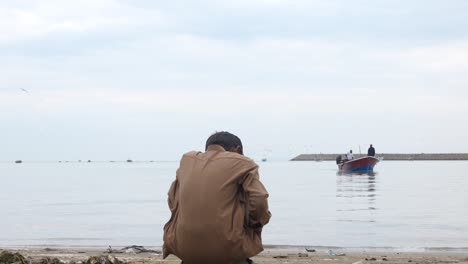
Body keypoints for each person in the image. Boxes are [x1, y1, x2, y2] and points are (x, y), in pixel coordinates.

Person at [163, 131, 271, 264]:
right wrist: (255, 224)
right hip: (228, 250)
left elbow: (172, 199)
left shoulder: (186, 162)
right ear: (237, 149)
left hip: (184, 249)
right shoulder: (243, 163)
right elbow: (259, 200)